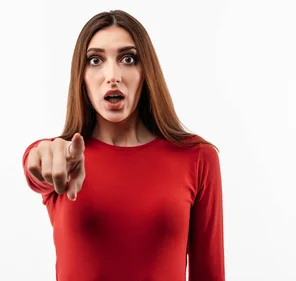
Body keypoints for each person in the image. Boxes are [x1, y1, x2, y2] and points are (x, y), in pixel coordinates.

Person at [22, 10, 225, 281]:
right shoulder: (63, 158)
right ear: (80, 77)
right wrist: (41, 159)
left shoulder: (197, 157)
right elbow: (38, 167)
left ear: (146, 72)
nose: (113, 75)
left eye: (128, 59)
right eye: (95, 60)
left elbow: (209, 275)